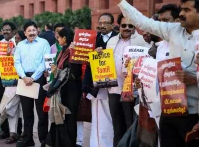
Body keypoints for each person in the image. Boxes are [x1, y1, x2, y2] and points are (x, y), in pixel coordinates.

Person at [106, 0, 199, 147]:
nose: (181, 14)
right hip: (169, 109)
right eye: (181, 9)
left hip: (194, 114)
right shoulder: (173, 30)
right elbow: (143, 22)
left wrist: (194, 79)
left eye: (187, 10)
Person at [106, 13, 148, 146]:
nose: (127, 28)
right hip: (113, 89)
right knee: (117, 126)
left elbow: (148, 63)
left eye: (131, 26)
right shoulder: (111, 41)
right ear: (119, 26)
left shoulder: (142, 41)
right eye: (124, 25)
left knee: (131, 126)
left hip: (132, 91)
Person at [82, 13, 118, 147]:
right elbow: (83, 55)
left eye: (106, 23)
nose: (102, 26)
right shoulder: (93, 38)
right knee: (98, 118)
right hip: (95, 84)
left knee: (113, 116)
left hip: (113, 84)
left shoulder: (117, 38)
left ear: (113, 25)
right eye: (100, 23)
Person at [14, 21, 50, 147]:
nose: (32, 33)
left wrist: (33, 77)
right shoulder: (20, 45)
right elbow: (17, 62)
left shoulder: (43, 43)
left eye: (34, 30)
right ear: (25, 33)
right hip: (24, 79)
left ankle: (43, 140)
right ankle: (28, 139)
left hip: (39, 79)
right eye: (29, 31)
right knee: (26, 111)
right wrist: (24, 77)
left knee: (42, 112)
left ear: (37, 31)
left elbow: (44, 62)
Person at [45, 27, 82, 147]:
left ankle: (70, 143)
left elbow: (76, 72)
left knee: (70, 118)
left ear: (64, 38)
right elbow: (61, 69)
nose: (58, 39)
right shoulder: (63, 50)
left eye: (59, 37)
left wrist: (74, 54)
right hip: (62, 88)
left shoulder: (72, 50)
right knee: (60, 117)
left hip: (72, 88)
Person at [0, 30, 26, 144]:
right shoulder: (12, 50)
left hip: (25, 82)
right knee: (9, 108)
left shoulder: (27, 50)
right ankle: (12, 133)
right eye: (16, 38)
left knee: (24, 110)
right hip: (11, 84)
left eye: (19, 38)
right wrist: (7, 55)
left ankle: (24, 134)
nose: (17, 40)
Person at [0, 21, 18, 140]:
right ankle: (4, 130)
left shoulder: (18, 43)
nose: (5, 32)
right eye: (4, 30)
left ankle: (16, 131)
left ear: (14, 31)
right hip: (0, 77)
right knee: (2, 103)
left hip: (14, 78)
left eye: (8, 30)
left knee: (14, 105)